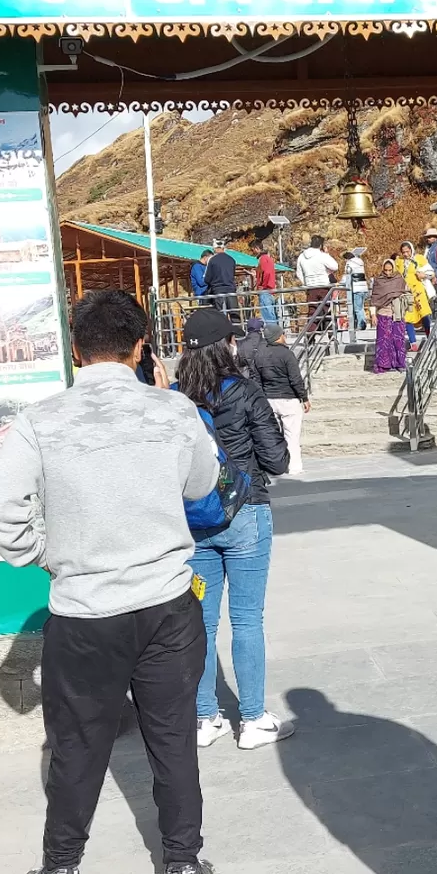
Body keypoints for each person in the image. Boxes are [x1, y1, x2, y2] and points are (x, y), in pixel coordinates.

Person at [0, 289, 221, 874]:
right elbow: (203, 483)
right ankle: (184, 867)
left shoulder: (41, 421)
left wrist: (44, 555)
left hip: (84, 612)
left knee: (79, 745)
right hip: (167, 602)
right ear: (141, 347)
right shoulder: (173, 410)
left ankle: (60, 872)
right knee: (173, 738)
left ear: (76, 350)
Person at [175, 309, 294, 752]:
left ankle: (204, 718)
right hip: (246, 514)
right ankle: (252, 720)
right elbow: (277, 460)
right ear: (226, 345)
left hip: (195, 523)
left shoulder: (174, 401)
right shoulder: (245, 393)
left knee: (200, 622)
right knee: (247, 619)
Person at [253, 322, 309, 474]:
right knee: (292, 435)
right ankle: (294, 466)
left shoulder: (259, 354)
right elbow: (295, 379)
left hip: (270, 398)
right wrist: (304, 398)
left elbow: (257, 379)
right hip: (288, 399)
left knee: (275, 435)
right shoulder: (286, 354)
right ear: (278, 336)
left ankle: (278, 465)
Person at [368, 258, 410, 373]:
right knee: (383, 341)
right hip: (383, 314)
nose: (388, 273)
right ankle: (383, 365)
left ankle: (399, 363)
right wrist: (373, 315)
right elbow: (374, 299)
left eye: (390, 270)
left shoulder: (399, 279)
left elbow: (407, 292)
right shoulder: (379, 281)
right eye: (386, 270)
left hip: (397, 314)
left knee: (398, 340)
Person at [295, 234, 338, 335]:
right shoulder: (322, 255)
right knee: (326, 309)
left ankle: (310, 335)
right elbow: (335, 266)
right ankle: (330, 333)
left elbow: (299, 273)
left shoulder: (302, 256)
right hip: (323, 285)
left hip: (310, 287)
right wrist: (327, 255)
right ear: (321, 245)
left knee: (312, 311)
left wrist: (306, 283)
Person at [398, 242, 431, 346]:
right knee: (408, 317)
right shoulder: (399, 262)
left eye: (407, 251)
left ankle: (429, 337)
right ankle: (413, 343)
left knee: (424, 314)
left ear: (411, 250)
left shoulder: (419, 259)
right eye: (404, 252)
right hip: (406, 292)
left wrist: (424, 275)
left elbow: (431, 272)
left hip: (419, 291)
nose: (406, 254)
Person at [204, 241, 239, 318]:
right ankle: (237, 329)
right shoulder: (232, 260)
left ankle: (223, 329)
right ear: (223, 248)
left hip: (218, 291)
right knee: (235, 316)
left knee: (221, 317)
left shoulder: (212, 260)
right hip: (231, 290)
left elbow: (207, 278)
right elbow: (232, 275)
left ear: (215, 249)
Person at [343, 245, 369, 332]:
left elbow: (347, 276)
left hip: (356, 288)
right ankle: (360, 322)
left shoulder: (349, 264)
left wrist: (340, 284)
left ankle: (361, 324)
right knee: (361, 307)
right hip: (364, 288)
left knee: (357, 308)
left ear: (347, 259)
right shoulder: (360, 262)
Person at [256, 245, 279, 325]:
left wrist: (263, 286)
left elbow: (267, 273)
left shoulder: (263, 259)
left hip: (265, 291)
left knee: (268, 317)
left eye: (253, 250)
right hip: (270, 290)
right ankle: (277, 334)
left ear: (257, 248)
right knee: (272, 315)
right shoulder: (269, 259)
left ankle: (273, 335)